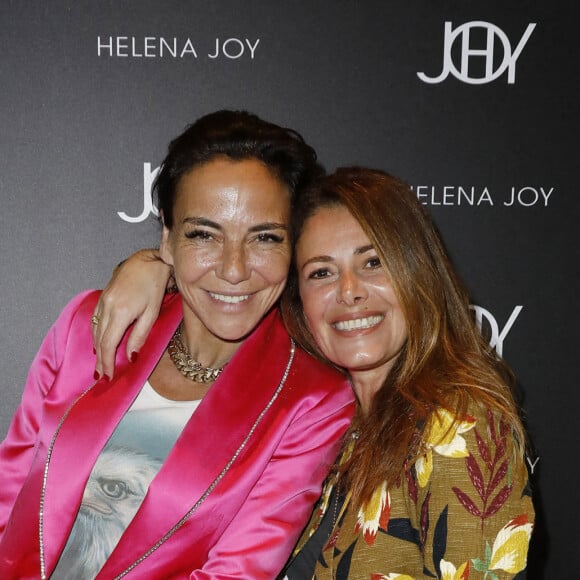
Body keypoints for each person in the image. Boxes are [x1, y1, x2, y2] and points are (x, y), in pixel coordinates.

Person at [93, 167, 534, 578]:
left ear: (418, 271)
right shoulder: (327, 420)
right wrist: (155, 265)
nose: (349, 292)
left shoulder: (460, 424)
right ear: (298, 296)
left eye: (373, 262)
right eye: (321, 272)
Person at [0, 111, 355, 579]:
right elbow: (10, 492)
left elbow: (236, 573)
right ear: (167, 237)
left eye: (265, 237)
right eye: (203, 234)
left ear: (295, 248)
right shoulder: (89, 324)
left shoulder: (313, 401)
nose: (234, 269)